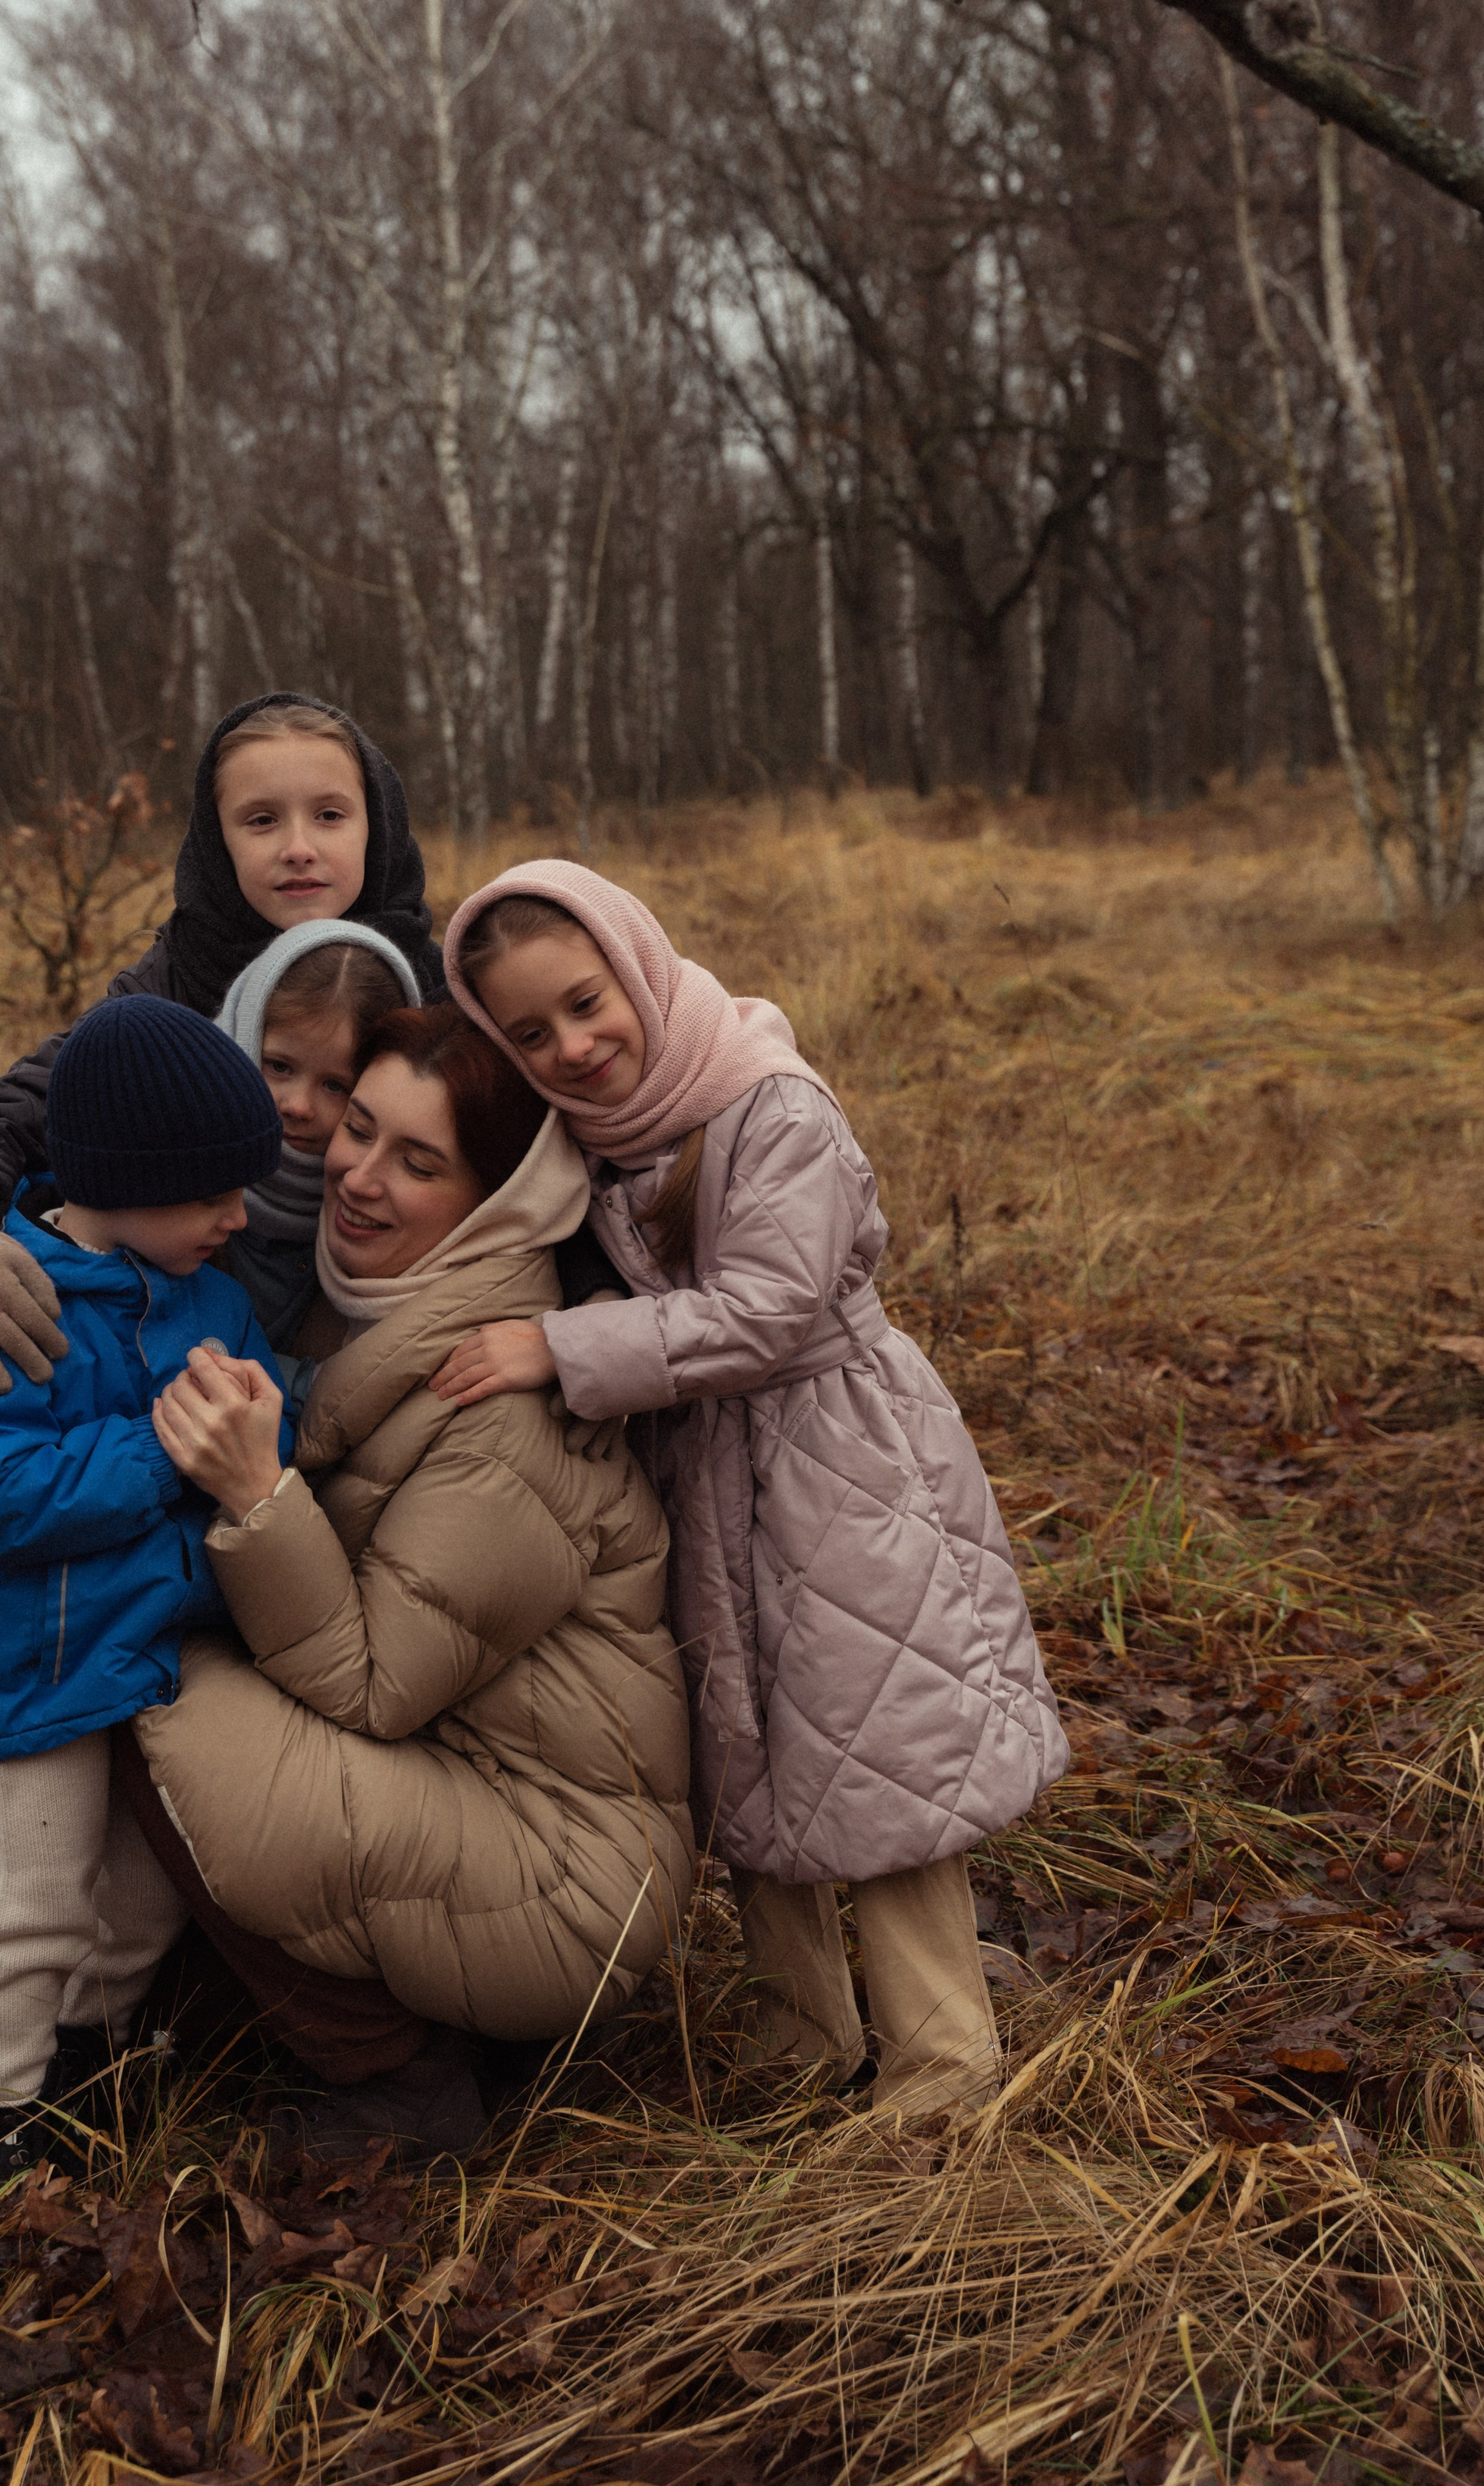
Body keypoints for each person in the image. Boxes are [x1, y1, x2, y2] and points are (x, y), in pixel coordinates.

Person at [437, 864, 1069, 2127]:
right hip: (708, 1470)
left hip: (843, 1461)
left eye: (587, 1000)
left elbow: (769, 1312)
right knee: (751, 1754)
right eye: (532, 1031)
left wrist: (560, 1349)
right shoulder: (598, 1138)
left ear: (640, 963)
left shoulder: (769, 1100)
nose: (575, 1043)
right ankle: (804, 2037)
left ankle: (945, 2066)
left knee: (879, 1745)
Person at [125, 1004, 695, 2155]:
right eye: (359, 1126)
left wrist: (258, 1496)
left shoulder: (512, 1401)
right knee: (124, 1649)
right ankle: (173, 2002)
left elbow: (377, 1678)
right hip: (460, 1795)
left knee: (134, 1686)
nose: (358, 1174)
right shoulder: (360, 1301)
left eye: (418, 1161)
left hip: (563, 1882)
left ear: (498, 1201)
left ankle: (400, 2077)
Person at [0, 993, 297, 2185]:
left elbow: (272, 1409)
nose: (239, 1218)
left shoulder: (213, 1299)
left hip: (162, 1658)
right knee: (37, 1899)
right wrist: (167, 1448)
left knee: (146, 1896)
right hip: (40, 1673)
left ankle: (91, 2063)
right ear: (118, 1179)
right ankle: (0, 2115)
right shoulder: (16, 1307)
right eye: (210, 1194)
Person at [0, 694, 446, 1394]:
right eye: (260, 820)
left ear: (377, 826)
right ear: (215, 839)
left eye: (330, 815)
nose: (298, 847)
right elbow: (11, 1115)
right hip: (193, 1356)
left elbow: (538, 1160)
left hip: (395, 1347)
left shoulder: (437, 989)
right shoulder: (173, 984)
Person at [212, 920, 421, 1349]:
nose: (298, 1106)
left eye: (335, 1086)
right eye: (279, 1066)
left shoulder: (385, 1206)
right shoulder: (169, 1157)